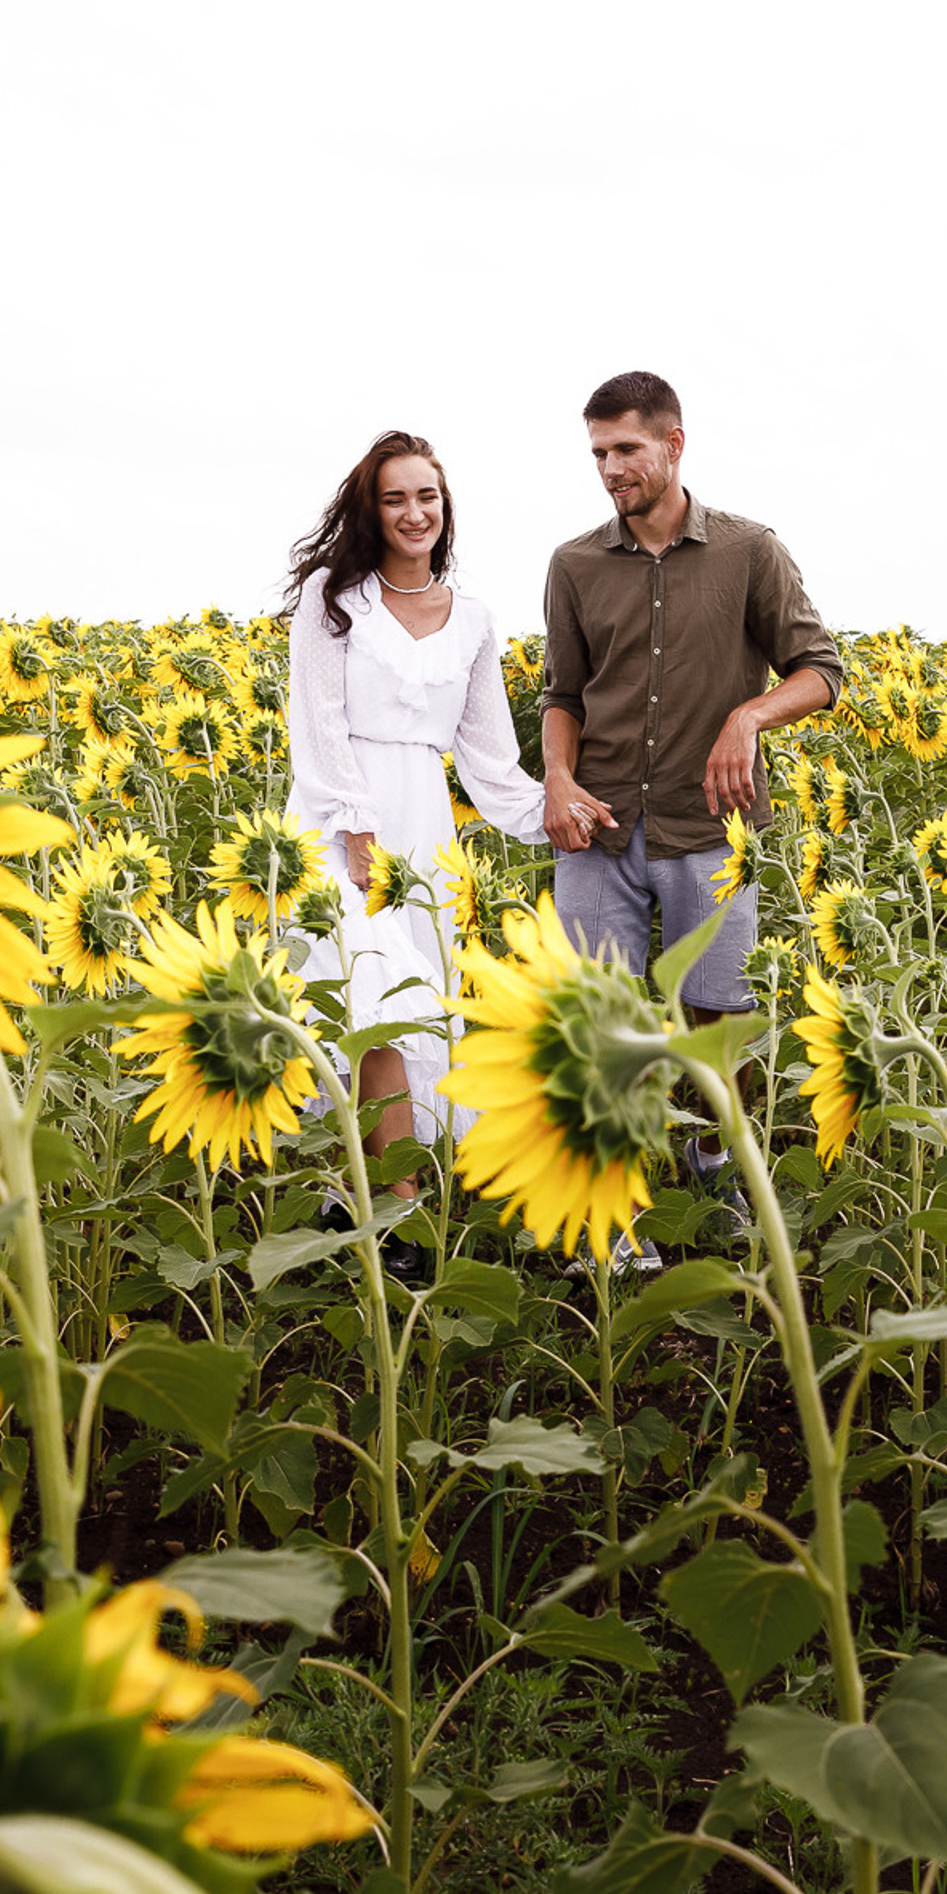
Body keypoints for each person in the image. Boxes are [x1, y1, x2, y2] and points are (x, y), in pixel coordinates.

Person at [540, 371, 842, 1261]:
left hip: (712, 828)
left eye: (626, 450)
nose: (610, 470)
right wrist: (556, 778)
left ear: (674, 443)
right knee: (603, 1026)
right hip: (596, 829)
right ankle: (612, 1216)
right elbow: (562, 693)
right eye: (598, 453)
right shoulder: (574, 564)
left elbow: (821, 668)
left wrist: (747, 717)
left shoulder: (751, 551)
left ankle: (716, 1180)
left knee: (718, 1018)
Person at [283, 431, 548, 1265]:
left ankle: (352, 1196)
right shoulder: (334, 598)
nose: (413, 513)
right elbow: (319, 721)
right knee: (366, 1000)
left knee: (399, 1005)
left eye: (426, 496)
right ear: (372, 509)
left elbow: (487, 756)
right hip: (338, 819)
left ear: (446, 506)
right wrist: (354, 832)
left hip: (425, 825)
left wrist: (558, 818)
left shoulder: (471, 620)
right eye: (395, 498)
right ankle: (398, 1212)